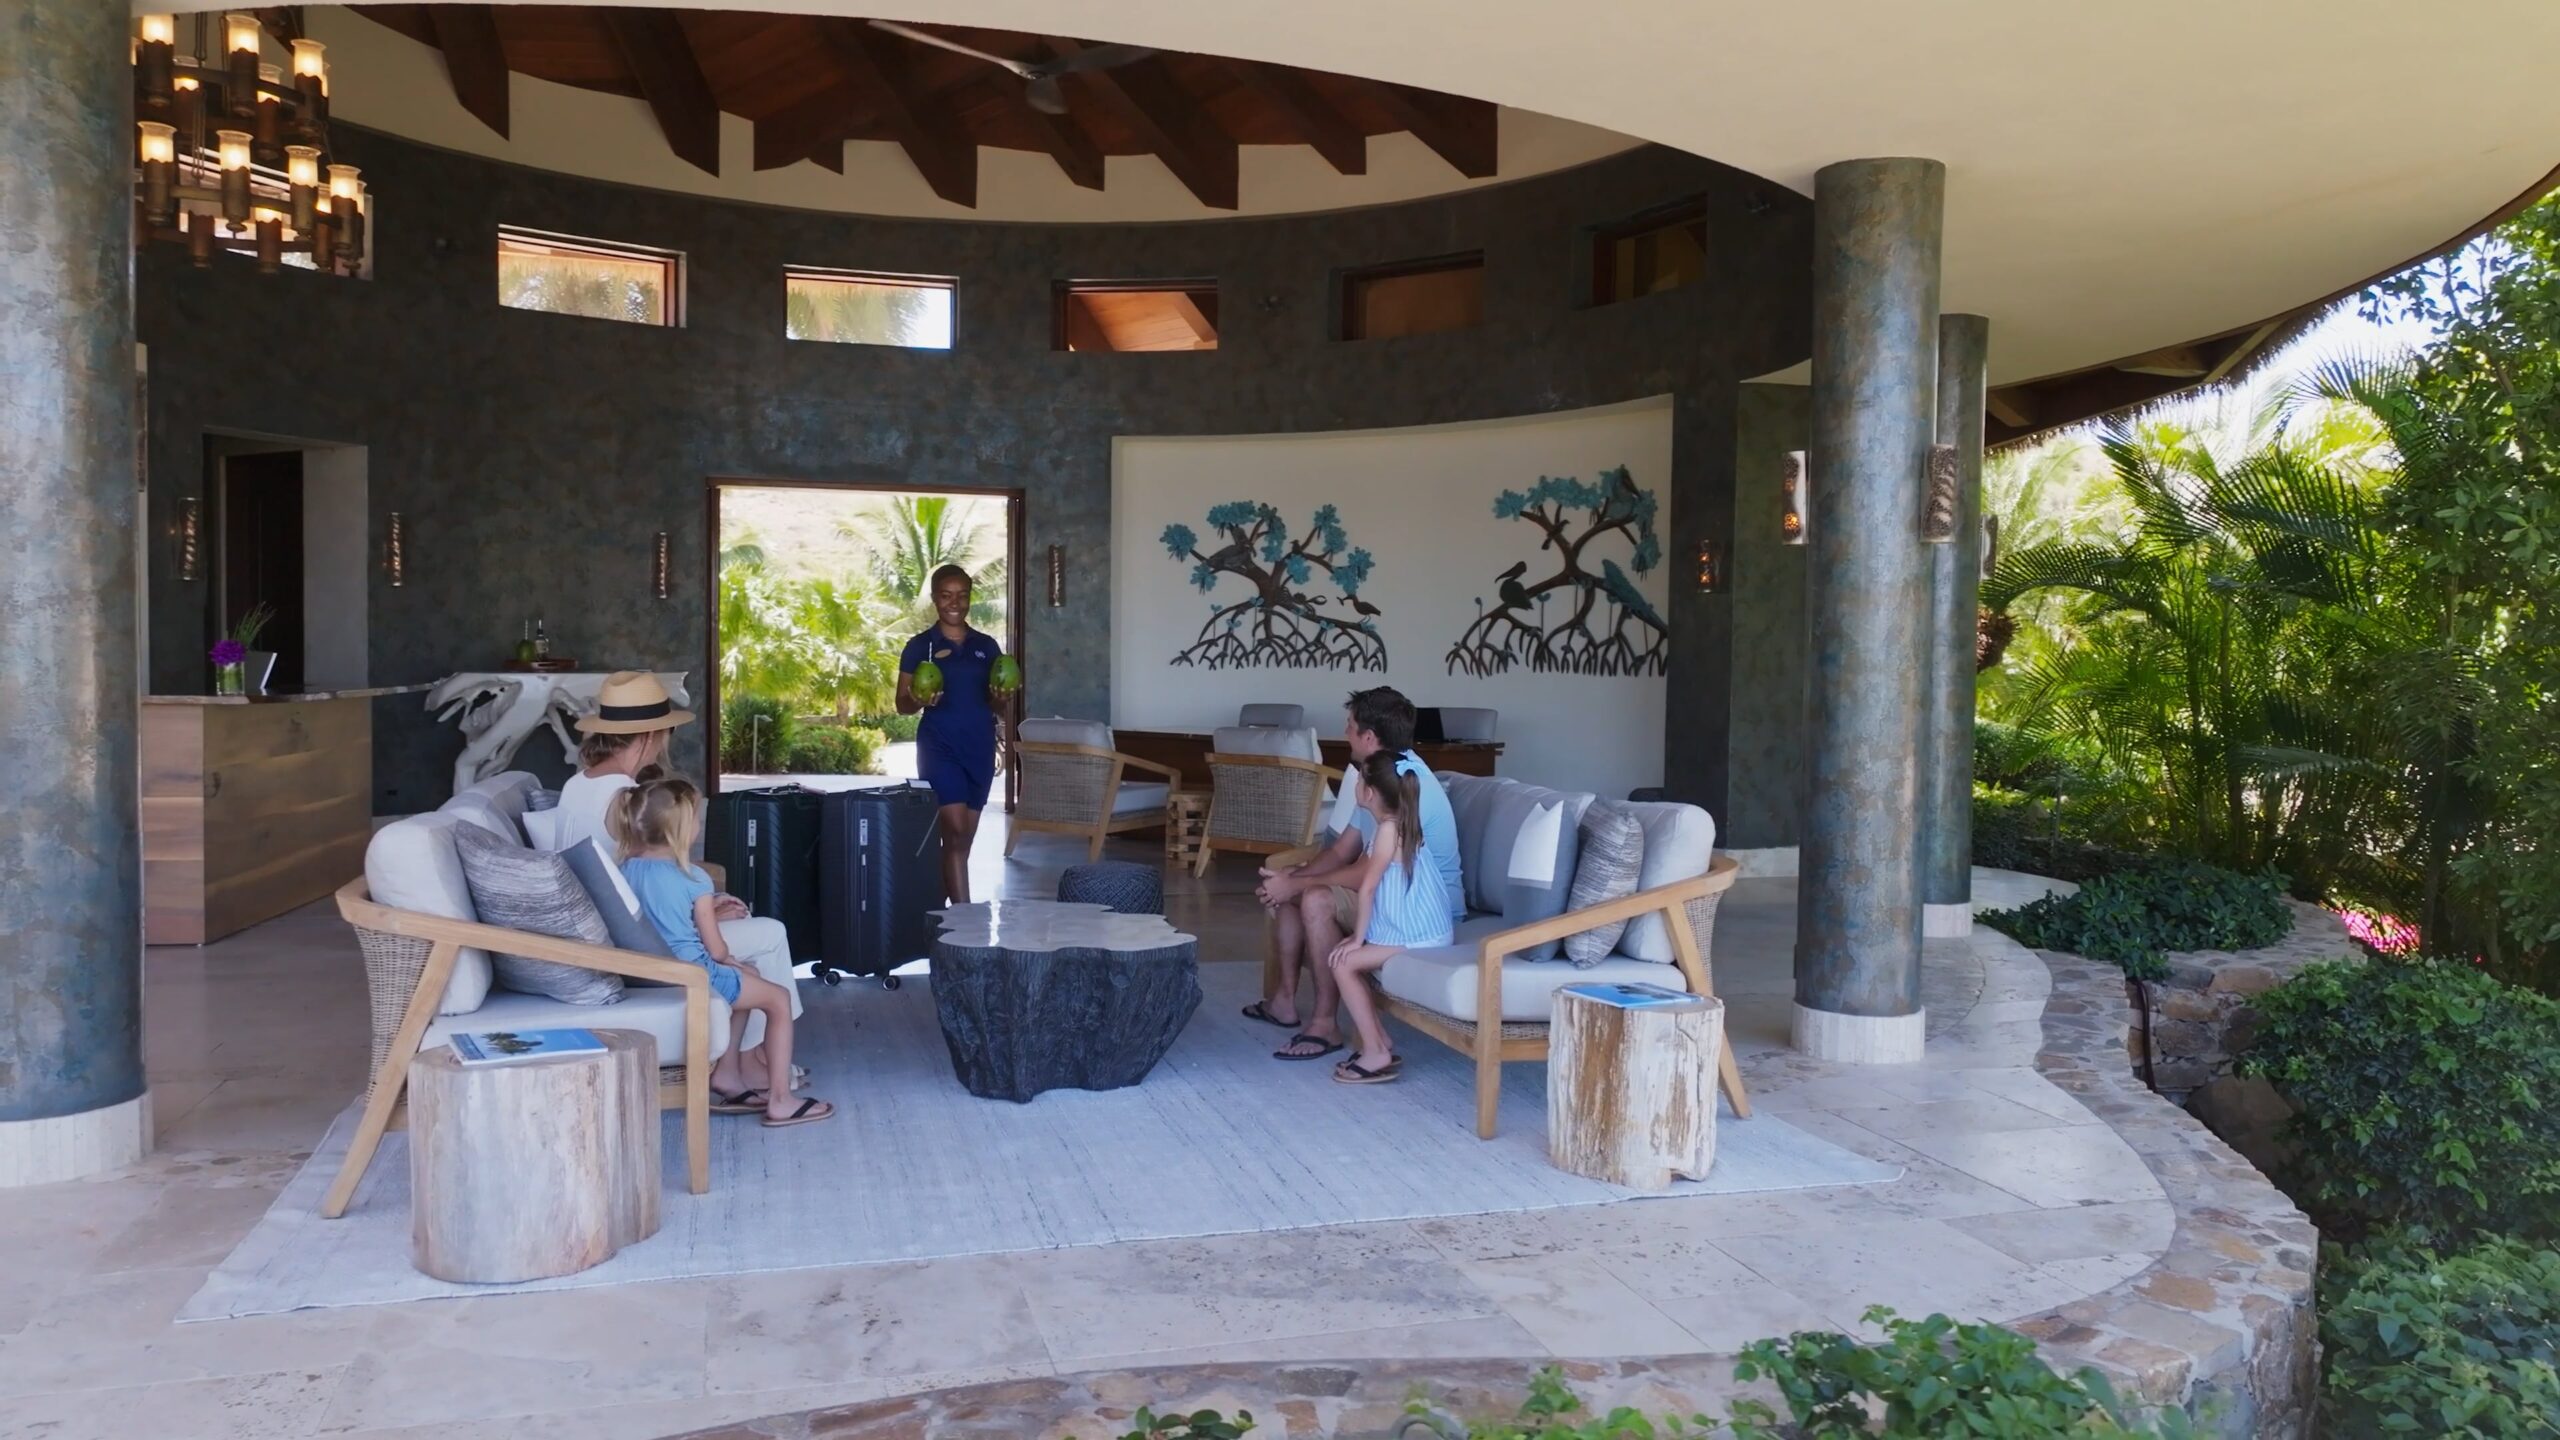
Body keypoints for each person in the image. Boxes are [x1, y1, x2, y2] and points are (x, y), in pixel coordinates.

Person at [554, 670, 805, 1095]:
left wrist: (705, 901)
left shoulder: (577, 785)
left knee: (739, 917)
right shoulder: (622, 797)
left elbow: (633, 878)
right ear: (652, 735)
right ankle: (749, 1059)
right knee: (769, 933)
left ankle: (749, 1055)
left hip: (613, 926)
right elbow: (643, 893)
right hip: (636, 944)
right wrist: (701, 910)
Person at [1245, 686, 1464, 1061]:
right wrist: (1288, 882)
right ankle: (1284, 1001)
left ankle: (1325, 1023)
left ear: (1368, 737)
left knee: (1314, 898)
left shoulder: (1405, 786)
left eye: (1349, 726)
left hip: (1417, 906)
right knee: (1295, 889)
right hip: (1389, 890)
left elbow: (1366, 873)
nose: (1344, 732)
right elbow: (1342, 850)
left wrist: (1300, 882)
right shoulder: (1380, 776)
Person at [612, 776, 833, 1128]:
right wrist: (728, 957)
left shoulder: (625, 869)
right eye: (697, 818)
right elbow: (715, 949)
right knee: (777, 999)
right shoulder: (693, 879)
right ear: (682, 829)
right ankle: (781, 1100)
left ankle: (727, 1073)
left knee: (751, 976)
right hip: (691, 973)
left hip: (653, 972)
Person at [1324, 750, 1456, 1084]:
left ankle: (1375, 1051)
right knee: (1348, 958)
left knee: (1342, 962)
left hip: (1418, 936)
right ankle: (1379, 1040)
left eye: (1359, 778)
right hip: (1418, 928)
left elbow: (1367, 889)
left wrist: (1358, 939)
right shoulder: (1401, 822)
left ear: (1368, 792)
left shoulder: (1386, 831)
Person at [896, 565, 1015, 904]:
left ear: (969, 598)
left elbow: (995, 704)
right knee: (957, 830)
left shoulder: (987, 646)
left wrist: (1002, 699)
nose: (955, 603)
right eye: (947, 595)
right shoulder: (920, 647)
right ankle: (966, 917)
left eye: (962, 595)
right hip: (939, 746)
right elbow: (901, 705)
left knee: (961, 842)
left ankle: (940, 907)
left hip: (978, 747)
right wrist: (917, 699)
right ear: (935, 599)